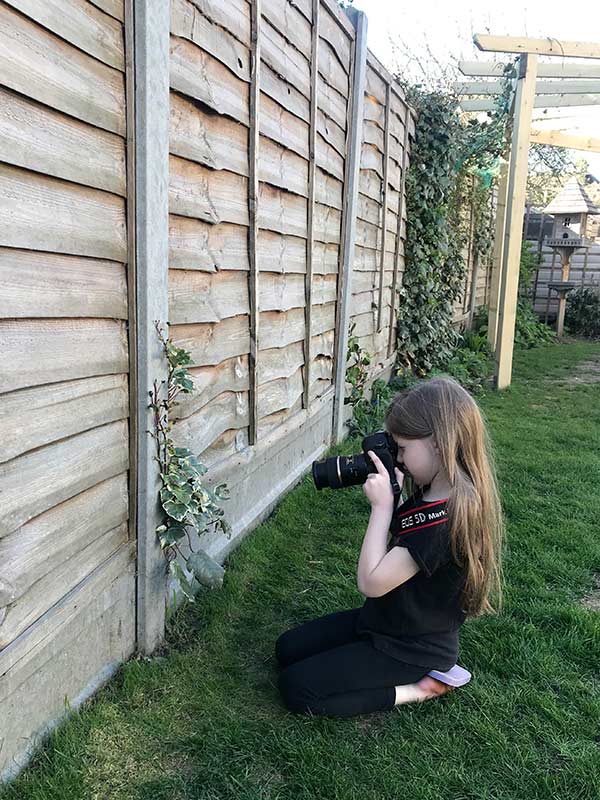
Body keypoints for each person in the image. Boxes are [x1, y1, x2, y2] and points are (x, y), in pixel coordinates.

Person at [275, 376, 504, 718]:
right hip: (384, 622)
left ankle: (421, 688)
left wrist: (382, 508)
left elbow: (371, 582)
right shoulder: (436, 488)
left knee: (298, 689)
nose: (398, 457)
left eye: (403, 449)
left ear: (439, 443)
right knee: (287, 649)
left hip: (412, 647)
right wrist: (395, 498)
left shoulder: (449, 517)